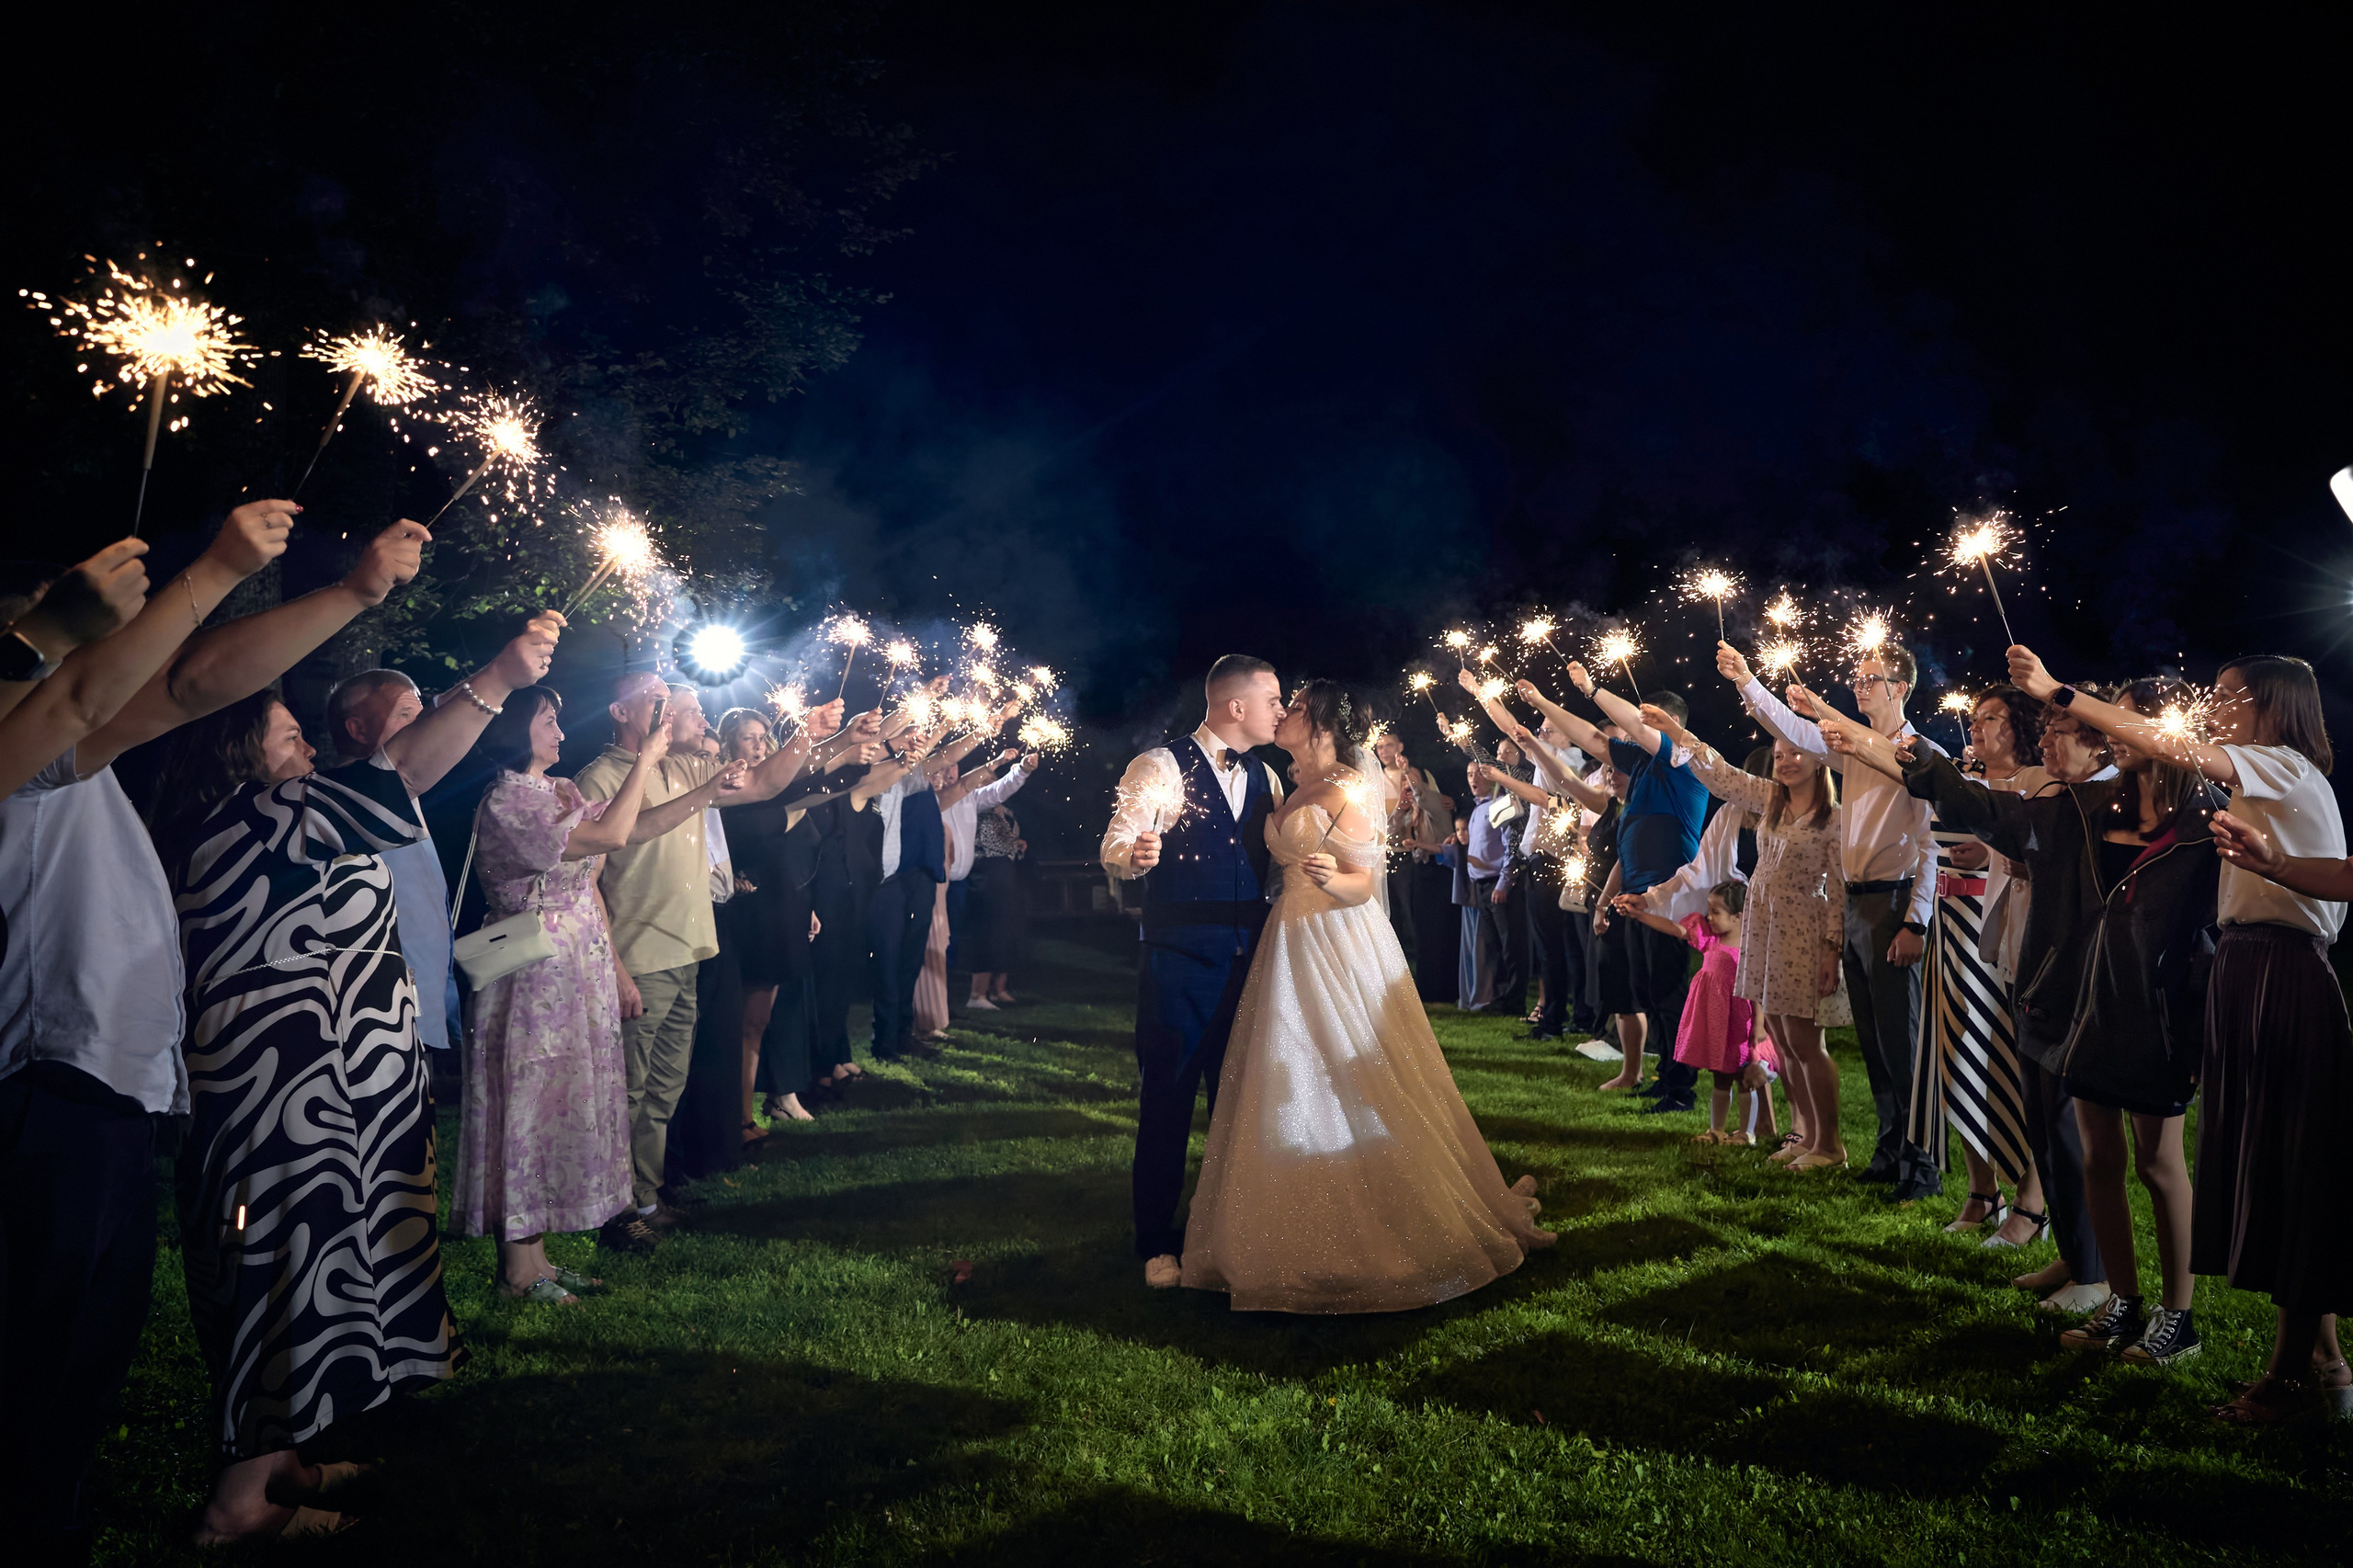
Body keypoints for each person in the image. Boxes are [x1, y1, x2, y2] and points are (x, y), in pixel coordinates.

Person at [149, 589, 558, 1546]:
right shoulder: (253, 814)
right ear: (239, 747)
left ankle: (282, 1459)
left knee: (318, 1271)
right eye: (289, 736)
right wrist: (497, 679)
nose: (304, 752)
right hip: (281, 1105)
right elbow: (404, 771)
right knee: (281, 1279)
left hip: (321, 1099)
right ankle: (236, 1506)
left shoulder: (278, 814)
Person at [2, 504, 372, 1555]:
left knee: (72, 1385)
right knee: (31, 1386)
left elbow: (187, 684)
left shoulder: (68, 747)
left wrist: (346, 592)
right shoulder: (26, 736)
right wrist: (206, 568)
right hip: (38, 1099)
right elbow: (110, 682)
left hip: (103, 1100)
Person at [1823, 669, 2225, 1369]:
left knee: (2160, 1166)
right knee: (2100, 1157)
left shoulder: (2203, 824)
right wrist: (1910, 756)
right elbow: (1986, 809)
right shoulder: (2084, 810)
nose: (2106, 732)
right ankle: (2121, 1300)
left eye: (2117, 720)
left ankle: (2178, 1316)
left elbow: (2214, 930)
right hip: (2069, 1002)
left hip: (2152, 1017)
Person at [2017, 651, 2348, 1420]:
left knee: (2292, 1171)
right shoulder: (2262, 780)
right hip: (2249, 969)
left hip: (2279, 974)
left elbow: (2175, 747)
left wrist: (2060, 693)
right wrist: (2277, 864)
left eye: (2232, 697)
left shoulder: (2284, 767)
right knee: (2274, 1173)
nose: (2216, 707)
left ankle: (2309, 1369)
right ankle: (2316, 1366)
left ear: (2274, 707)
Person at [1179, 678, 1552, 1311]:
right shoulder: (1287, 782)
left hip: (1335, 936)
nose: (1284, 714)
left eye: (1294, 707)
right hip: (1288, 936)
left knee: (1352, 1070)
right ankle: (1284, 1214)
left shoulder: (1353, 786)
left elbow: (1366, 883)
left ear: (1322, 720)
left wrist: (1334, 878)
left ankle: (1385, 1212)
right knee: (1289, 1068)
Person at [453, 686, 742, 1285]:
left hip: (574, 973)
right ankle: (517, 1268)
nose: (561, 733)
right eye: (548, 722)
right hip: (530, 982)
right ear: (513, 729)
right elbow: (608, 838)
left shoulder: (557, 791)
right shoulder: (508, 801)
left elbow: (631, 830)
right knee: (527, 1111)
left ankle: (536, 1258)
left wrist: (705, 793)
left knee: (561, 1110)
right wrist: (646, 759)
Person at [574, 672, 813, 1239]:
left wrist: (809, 732)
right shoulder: (599, 777)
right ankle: (617, 1211)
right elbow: (586, 883)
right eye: (668, 705)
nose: (695, 717)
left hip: (689, 953)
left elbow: (762, 783)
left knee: (663, 1089)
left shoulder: (682, 767)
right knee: (630, 1091)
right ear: (621, 712)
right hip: (640, 957)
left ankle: (648, 1199)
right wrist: (616, 967)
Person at [1716, 638, 1942, 1198]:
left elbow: (1932, 845)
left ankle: (1923, 1167)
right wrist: (1746, 680)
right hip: (1857, 902)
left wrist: (1916, 921)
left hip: (1893, 904)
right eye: (1858, 679)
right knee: (1875, 1041)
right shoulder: (1850, 750)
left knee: (1902, 1040)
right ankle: (1890, 1151)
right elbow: (1793, 731)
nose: (1861, 687)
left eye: (1873, 680)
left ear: (1902, 687)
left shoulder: (1918, 754)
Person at [1100, 653, 1287, 1290]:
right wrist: (1136, 854)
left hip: (1253, 962)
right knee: (1169, 1098)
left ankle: (1232, 1232)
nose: (1281, 711)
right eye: (1273, 699)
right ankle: (1155, 1239)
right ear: (1237, 706)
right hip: (1179, 963)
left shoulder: (1268, 775)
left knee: (1242, 1103)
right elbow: (1115, 845)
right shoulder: (1160, 765)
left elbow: (1277, 864)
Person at [1638, 703, 1848, 1169]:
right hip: (1766, 934)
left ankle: (1831, 1146)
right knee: (1788, 1044)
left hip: (1804, 936)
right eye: (1779, 754)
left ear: (1818, 760)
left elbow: (1838, 889)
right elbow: (1722, 775)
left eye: (1796, 752)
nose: (1786, 761)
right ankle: (1806, 1137)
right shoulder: (1770, 801)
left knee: (1808, 1045)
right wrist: (1676, 731)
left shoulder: (1833, 819)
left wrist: (1832, 949)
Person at [1513, 672, 1709, 1112]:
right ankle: (1665, 1079)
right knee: (1648, 990)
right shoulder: (1640, 766)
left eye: (1648, 722)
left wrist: (1592, 690)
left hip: (1669, 896)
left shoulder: (1685, 758)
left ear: (1671, 723)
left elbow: (1620, 736)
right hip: (1635, 897)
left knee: (1667, 991)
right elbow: (1596, 742)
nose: (1638, 730)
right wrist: (1543, 701)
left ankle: (1682, 1089)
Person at [1912, 686, 2052, 1247]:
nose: (1977, 727)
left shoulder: (2035, 787)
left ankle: (2032, 1200)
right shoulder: (1962, 785)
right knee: (1955, 1049)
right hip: (1951, 925)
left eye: (1992, 718)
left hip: (2002, 925)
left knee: (2009, 1059)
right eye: (1974, 718)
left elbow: (2038, 848)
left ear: (2019, 726)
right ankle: (1981, 1189)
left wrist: (1990, 852)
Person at [324, 669, 461, 1051]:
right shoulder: (345, 809)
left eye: (421, 716)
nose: (421, 727)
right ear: (357, 728)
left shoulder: (410, 798)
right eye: (404, 715)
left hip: (424, 993)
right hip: (383, 1011)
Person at [1612, 881, 1758, 1142]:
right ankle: (1717, 1129)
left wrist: (1758, 1028)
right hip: (1714, 1019)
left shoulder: (1750, 951)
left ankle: (1747, 1133)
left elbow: (1756, 993)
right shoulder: (1709, 938)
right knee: (1720, 1077)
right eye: (1709, 910)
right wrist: (1641, 915)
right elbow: (1675, 928)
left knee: (1744, 1077)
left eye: (1716, 912)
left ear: (1737, 917)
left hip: (1738, 1021)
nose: (1708, 917)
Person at [942, 747, 1035, 1010]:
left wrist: (1021, 770)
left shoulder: (971, 798)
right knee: (941, 942)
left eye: (954, 767)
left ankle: (945, 1005)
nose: (950, 773)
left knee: (952, 942)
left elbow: (999, 790)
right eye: (944, 767)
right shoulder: (933, 798)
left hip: (961, 881)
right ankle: (939, 1004)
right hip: (942, 881)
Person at [964, 801, 1029, 1004]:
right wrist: (1011, 844)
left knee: (1008, 928)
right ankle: (978, 993)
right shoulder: (977, 810)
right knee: (990, 928)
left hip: (1006, 870)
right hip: (987, 870)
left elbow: (1010, 837)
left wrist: (1017, 844)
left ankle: (998, 989)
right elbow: (990, 840)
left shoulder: (1006, 810)